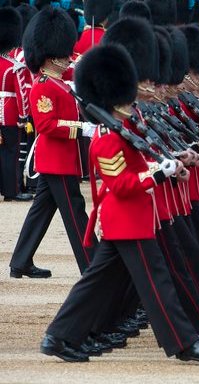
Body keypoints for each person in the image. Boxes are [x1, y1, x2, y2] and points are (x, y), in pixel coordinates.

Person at [41, 43, 199, 364]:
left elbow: (142, 165)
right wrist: (158, 173)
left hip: (131, 219)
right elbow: (123, 185)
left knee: (98, 283)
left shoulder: (123, 130)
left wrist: (169, 166)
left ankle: (59, 336)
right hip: (127, 220)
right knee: (158, 283)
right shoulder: (108, 138)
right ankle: (184, 343)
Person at [9, 6, 96, 279]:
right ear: (49, 57)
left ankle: (20, 262)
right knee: (76, 214)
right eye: (63, 54)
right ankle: (92, 266)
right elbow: (46, 126)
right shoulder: (44, 85)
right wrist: (82, 128)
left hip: (59, 160)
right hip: (56, 161)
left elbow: (78, 71)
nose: (68, 57)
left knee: (41, 212)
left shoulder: (59, 81)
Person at [0, 7, 32, 202]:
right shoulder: (14, 66)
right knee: (10, 153)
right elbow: (21, 94)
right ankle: (12, 190)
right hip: (10, 113)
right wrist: (23, 116)